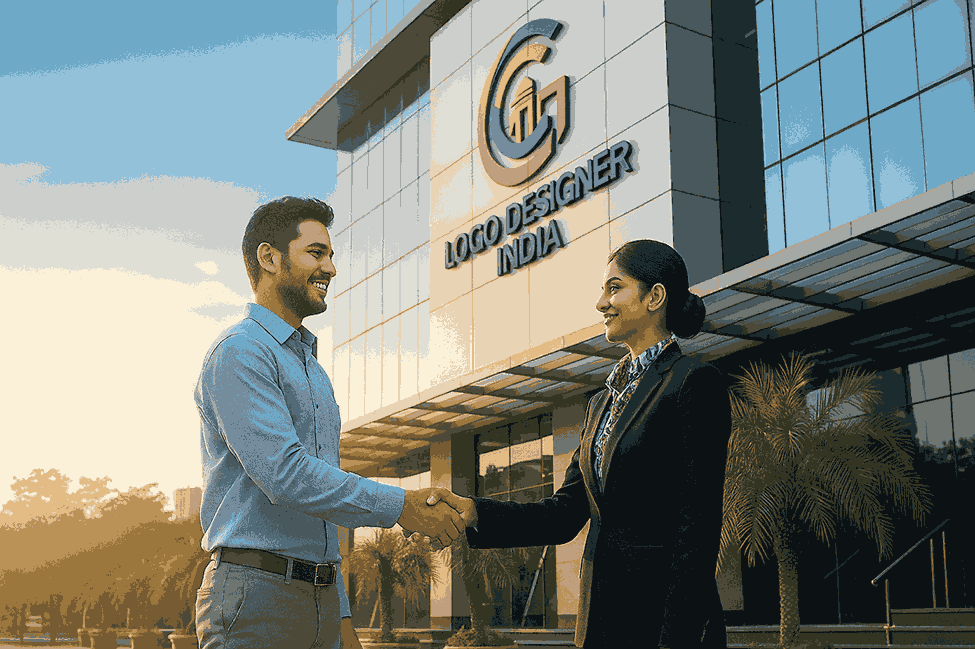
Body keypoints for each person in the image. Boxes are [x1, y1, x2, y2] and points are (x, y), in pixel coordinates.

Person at [194, 196, 467, 649]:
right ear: (269, 258)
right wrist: (402, 505)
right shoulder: (240, 353)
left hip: (320, 597)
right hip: (256, 597)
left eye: (331, 255)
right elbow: (286, 476)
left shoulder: (311, 368)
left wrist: (339, 613)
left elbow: (320, 506)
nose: (332, 269)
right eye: (316, 253)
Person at [430, 239, 732, 648]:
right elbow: (562, 515)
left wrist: (675, 639)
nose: (600, 303)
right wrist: (473, 512)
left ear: (654, 297)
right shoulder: (600, 404)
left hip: (664, 625)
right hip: (600, 624)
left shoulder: (693, 383)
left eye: (614, 288)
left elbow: (696, 530)